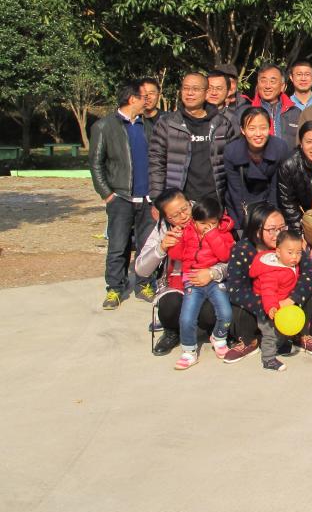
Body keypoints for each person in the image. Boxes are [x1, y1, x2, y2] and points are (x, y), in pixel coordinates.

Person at [222, 205, 312, 369]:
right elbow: (236, 289)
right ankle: (249, 340)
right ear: (257, 231)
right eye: (272, 229)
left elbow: (310, 274)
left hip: (288, 300)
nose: (278, 233)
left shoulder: (288, 244)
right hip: (258, 303)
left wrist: (291, 299)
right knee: (238, 306)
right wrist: (269, 305)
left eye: (282, 228)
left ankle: (300, 334)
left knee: (306, 292)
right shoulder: (242, 250)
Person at [134, 190, 230, 357]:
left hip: (210, 281)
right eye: (175, 215)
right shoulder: (164, 228)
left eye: (185, 209)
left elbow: (230, 258)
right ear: (166, 218)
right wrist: (161, 248)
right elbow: (141, 269)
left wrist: (212, 272)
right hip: (177, 282)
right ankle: (173, 331)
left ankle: (215, 332)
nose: (183, 216)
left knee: (210, 313)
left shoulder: (207, 216)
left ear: (190, 202)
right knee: (169, 306)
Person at [89, 80, 157, 308]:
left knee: (147, 246)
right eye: (144, 96)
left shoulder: (148, 126)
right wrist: (107, 194)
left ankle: (144, 283)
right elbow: (96, 164)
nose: (148, 100)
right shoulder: (104, 126)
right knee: (118, 246)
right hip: (121, 198)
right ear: (132, 99)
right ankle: (115, 288)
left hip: (147, 199)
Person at [168, 196, 235, 369]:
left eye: (212, 224)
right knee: (187, 317)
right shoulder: (187, 232)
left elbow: (225, 256)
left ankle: (219, 338)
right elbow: (176, 255)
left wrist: (213, 235)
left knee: (226, 313)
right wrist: (176, 240)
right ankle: (189, 351)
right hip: (192, 279)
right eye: (202, 223)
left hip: (214, 278)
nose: (206, 227)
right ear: (194, 221)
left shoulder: (223, 233)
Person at [148, 72, 235, 205]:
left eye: (195, 89)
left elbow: (231, 163)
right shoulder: (167, 123)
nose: (190, 93)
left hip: (214, 202)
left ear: (206, 93)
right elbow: (156, 163)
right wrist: (157, 200)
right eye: (186, 88)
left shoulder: (222, 124)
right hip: (178, 202)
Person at [248, 228, 306, 368]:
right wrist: (271, 307)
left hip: (282, 303)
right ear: (278, 252)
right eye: (290, 252)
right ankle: (268, 359)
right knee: (271, 333)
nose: (295, 257)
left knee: (282, 329)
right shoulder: (271, 272)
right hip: (268, 307)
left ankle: (282, 347)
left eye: (298, 253)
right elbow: (268, 291)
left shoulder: (287, 263)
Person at [223, 106, 290, 227]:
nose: (258, 134)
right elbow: (236, 191)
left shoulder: (280, 148)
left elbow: (277, 188)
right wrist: (247, 220)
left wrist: (270, 218)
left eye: (263, 128)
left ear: (269, 128)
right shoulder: (232, 151)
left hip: (269, 198)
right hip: (242, 203)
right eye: (252, 128)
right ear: (243, 130)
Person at [244, 64, 300, 142]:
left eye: (272, 81)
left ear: (282, 87)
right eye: (263, 81)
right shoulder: (247, 111)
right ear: (257, 85)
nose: (267, 86)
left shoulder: (295, 113)